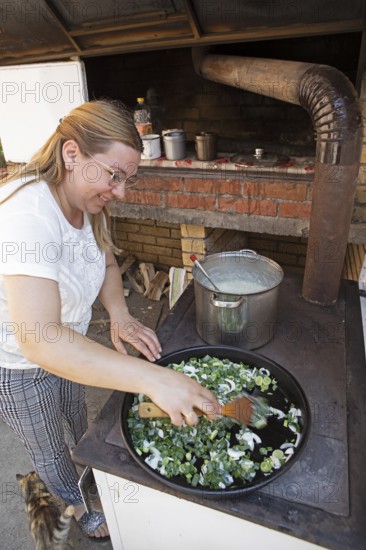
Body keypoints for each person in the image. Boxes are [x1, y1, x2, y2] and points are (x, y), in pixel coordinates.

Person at [0, 99, 218, 541]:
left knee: (76, 417)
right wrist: (152, 380)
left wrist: (119, 315)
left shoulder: (86, 200)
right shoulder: (26, 215)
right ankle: (75, 502)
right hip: (19, 362)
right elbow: (40, 342)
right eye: (114, 175)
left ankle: (88, 471)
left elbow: (109, 264)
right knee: (48, 445)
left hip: (72, 340)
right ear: (72, 153)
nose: (120, 191)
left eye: (127, 179)